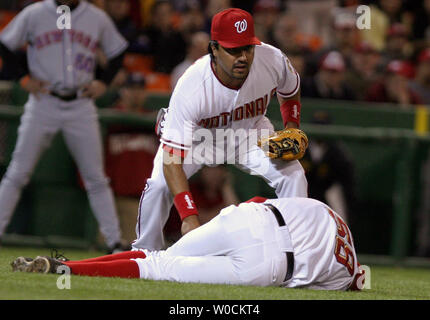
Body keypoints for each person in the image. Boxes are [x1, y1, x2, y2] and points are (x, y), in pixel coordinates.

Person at [133, 8, 308, 251]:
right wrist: (189, 216)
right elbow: (172, 160)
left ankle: (295, 252)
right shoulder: (192, 85)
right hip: (199, 140)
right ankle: (143, 253)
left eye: (248, 48)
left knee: (293, 174)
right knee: (159, 185)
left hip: (249, 133)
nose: (243, 57)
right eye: (233, 50)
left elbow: (290, 89)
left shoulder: (271, 59)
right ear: (214, 49)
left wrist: (291, 127)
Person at [11, 196, 365, 291]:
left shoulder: (324, 210)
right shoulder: (344, 275)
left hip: (248, 220)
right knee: (159, 269)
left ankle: (65, 265)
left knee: (155, 256)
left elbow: (259, 199)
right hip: (270, 265)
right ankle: (66, 269)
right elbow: (356, 283)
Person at [0, 0, 129, 253]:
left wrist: (104, 82)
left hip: (80, 104)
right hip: (43, 102)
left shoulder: (95, 17)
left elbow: (118, 51)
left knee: (96, 178)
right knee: (17, 173)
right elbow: (5, 43)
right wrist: (23, 78)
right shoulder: (35, 13)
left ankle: (114, 241)